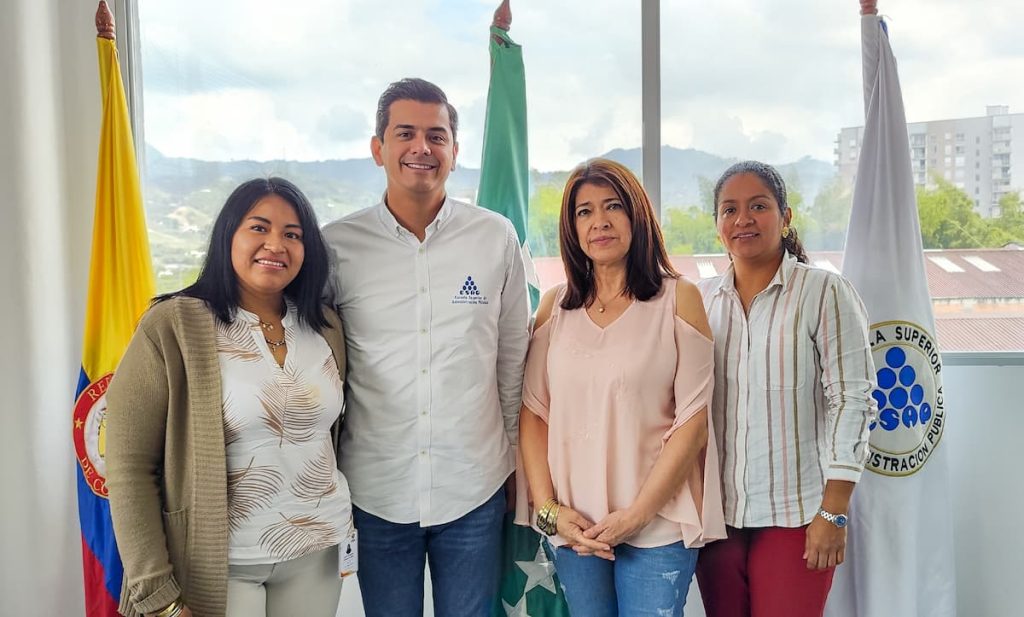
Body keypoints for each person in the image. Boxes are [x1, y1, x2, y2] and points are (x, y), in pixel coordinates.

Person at [322, 78, 530, 617]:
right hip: (376, 491)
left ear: (455, 152)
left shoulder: (496, 237)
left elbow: (512, 360)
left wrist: (514, 462)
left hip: (474, 488)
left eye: (437, 136)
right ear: (378, 149)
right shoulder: (336, 247)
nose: (422, 147)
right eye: (405, 133)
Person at [106, 178, 352, 617]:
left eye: (292, 234)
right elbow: (128, 466)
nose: (275, 244)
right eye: (258, 227)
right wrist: (156, 591)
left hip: (318, 548)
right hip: (220, 562)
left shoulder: (325, 325)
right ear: (228, 236)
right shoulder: (173, 325)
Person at [515, 158, 726, 616]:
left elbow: (693, 424)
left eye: (613, 206)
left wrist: (637, 515)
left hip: (657, 525)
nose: (600, 221)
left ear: (637, 216)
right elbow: (533, 414)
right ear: (572, 228)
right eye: (584, 211)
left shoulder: (679, 299)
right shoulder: (555, 308)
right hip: (575, 527)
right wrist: (550, 510)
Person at [694, 161, 877, 617]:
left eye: (759, 206)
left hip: (798, 516)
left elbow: (853, 401)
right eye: (729, 209)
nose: (743, 219)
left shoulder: (824, 292)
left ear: (786, 216)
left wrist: (834, 511)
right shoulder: (700, 300)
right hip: (717, 519)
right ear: (717, 224)